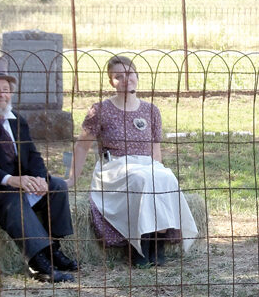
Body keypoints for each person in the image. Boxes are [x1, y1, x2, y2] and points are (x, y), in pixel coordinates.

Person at [0, 56, 78, 283]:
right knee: (13, 198)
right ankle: (38, 263)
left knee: (57, 185)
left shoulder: (16, 120)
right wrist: (11, 179)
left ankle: (53, 249)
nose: (2, 94)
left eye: (6, 89)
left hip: (18, 185)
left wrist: (40, 178)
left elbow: (32, 154)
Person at [69, 55, 197, 267]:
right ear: (111, 82)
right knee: (140, 179)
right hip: (115, 167)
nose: (125, 79)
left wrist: (159, 171)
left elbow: (155, 151)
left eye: (129, 74)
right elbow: (82, 145)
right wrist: (72, 178)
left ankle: (157, 243)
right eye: (118, 76)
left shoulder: (151, 110)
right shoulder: (100, 110)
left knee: (166, 178)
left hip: (147, 164)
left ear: (137, 76)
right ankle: (139, 244)